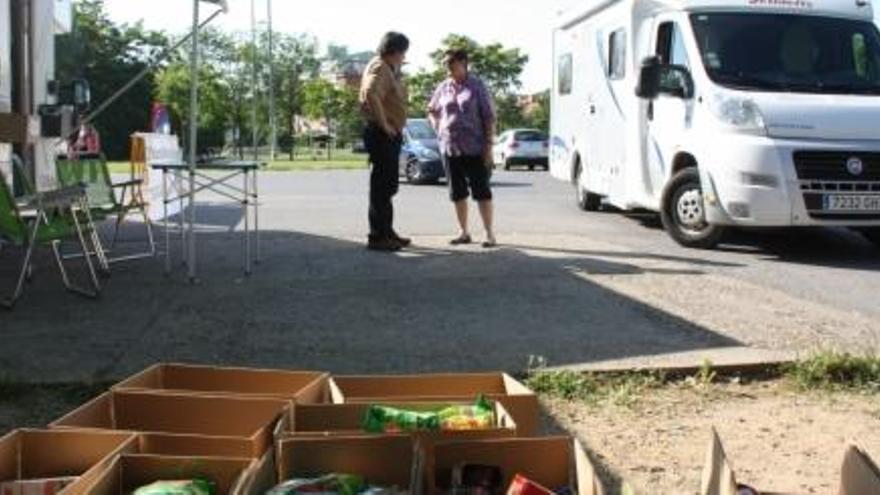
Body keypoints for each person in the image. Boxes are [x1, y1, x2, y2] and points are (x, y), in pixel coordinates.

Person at [428, 49, 497, 248]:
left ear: (463, 63)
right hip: (449, 147)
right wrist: (437, 125)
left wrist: (489, 146)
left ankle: (489, 233)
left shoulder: (477, 86)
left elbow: (489, 117)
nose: (447, 67)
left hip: (475, 147)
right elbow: (432, 110)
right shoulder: (443, 87)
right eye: (445, 64)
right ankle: (464, 232)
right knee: (457, 192)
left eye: (451, 63)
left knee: (482, 191)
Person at [359, 32, 411, 252]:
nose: (404, 57)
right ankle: (378, 236)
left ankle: (387, 232)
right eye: (403, 52)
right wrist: (385, 124)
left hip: (386, 134)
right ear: (396, 51)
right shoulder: (380, 67)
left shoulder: (386, 67)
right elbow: (371, 93)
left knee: (387, 186)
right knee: (382, 187)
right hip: (383, 135)